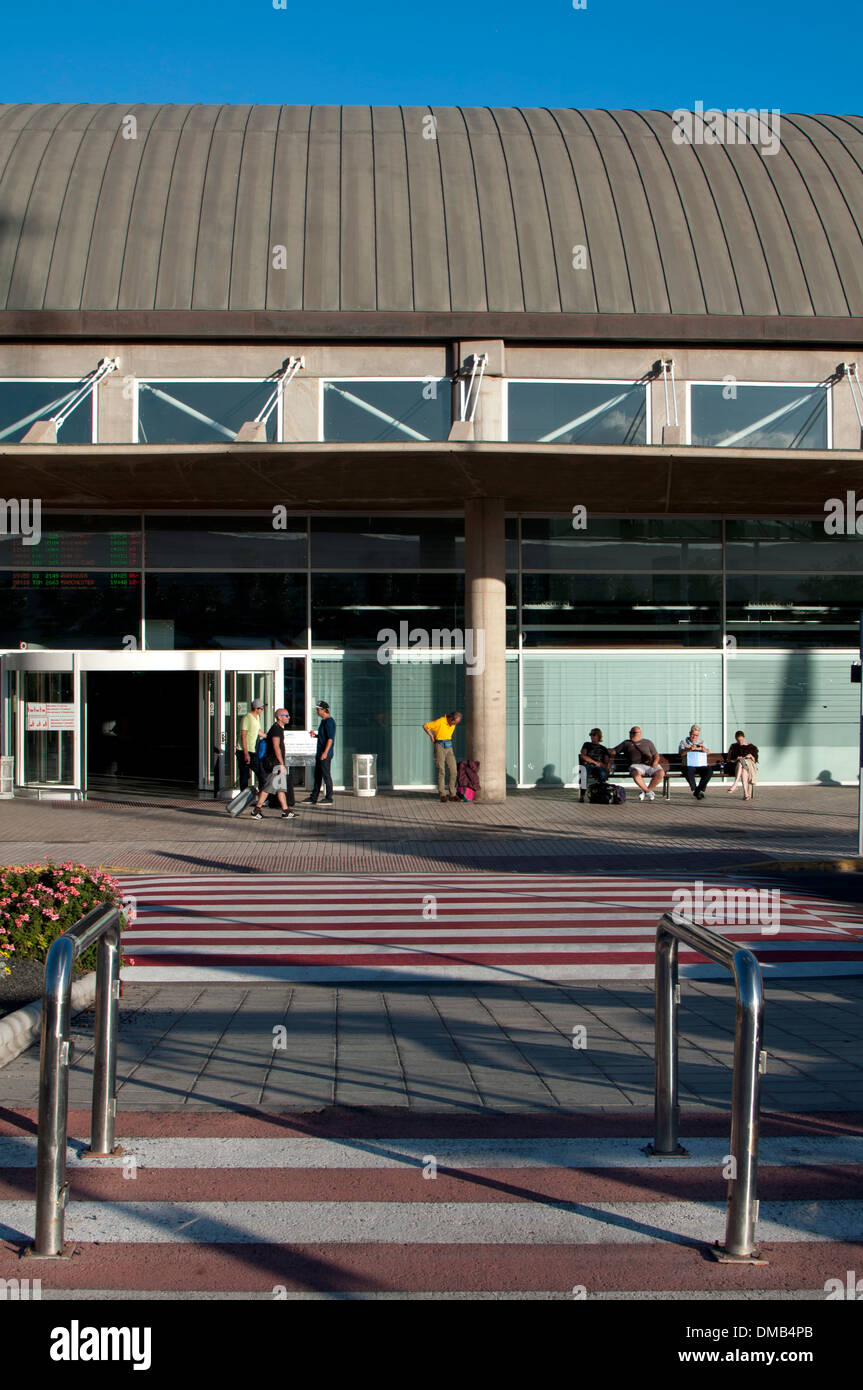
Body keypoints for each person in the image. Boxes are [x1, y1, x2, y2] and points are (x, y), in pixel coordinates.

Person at [250, 708, 295, 820]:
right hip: (274, 763)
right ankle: (256, 810)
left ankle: (285, 811)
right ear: (279, 717)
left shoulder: (279, 729)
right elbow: (276, 747)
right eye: (286, 715)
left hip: (277, 763)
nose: (289, 717)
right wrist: (281, 764)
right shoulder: (276, 730)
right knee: (268, 788)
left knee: (280, 788)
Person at [614, 725, 665, 801]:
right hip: (636, 765)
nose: (631, 734)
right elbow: (615, 750)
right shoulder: (626, 743)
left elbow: (655, 754)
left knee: (661, 773)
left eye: (633, 732)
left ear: (640, 733)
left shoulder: (647, 742)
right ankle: (648, 791)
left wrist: (655, 761)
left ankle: (645, 791)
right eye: (630, 732)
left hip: (649, 764)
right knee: (635, 774)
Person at [422, 710, 462, 802]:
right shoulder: (440, 722)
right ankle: (442, 794)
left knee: (454, 770)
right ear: (451, 719)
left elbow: (450, 729)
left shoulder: (452, 724)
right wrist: (431, 736)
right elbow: (425, 726)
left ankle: (452, 794)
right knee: (441, 770)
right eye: (454, 722)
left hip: (449, 746)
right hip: (439, 745)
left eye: (456, 723)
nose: (454, 725)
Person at [304, 700, 336, 805]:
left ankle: (329, 797)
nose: (317, 711)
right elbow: (324, 737)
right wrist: (316, 736)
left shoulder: (329, 722)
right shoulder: (323, 721)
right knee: (317, 775)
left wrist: (325, 752)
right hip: (320, 752)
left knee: (326, 775)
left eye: (318, 709)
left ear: (324, 710)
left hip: (325, 753)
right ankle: (314, 796)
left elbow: (330, 739)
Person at [678, 723, 716, 800]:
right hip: (688, 765)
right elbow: (681, 753)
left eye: (696, 735)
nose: (694, 737)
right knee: (689, 770)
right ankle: (696, 790)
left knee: (709, 771)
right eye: (693, 735)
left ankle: (697, 790)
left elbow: (708, 752)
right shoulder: (683, 742)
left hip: (700, 765)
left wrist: (703, 749)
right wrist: (690, 749)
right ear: (690, 733)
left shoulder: (701, 742)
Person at [236, 697, 264, 793]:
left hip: (252, 750)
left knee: (260, 772)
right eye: (261, 708)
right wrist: (246, 753)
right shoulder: (247, 718)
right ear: (256, 708)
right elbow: (243, 736)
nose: (262, 710)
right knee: (244, 774)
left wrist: (268, 737)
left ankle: (262, 794)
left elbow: (258, 731)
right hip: (243, 750)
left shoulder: (257, 718)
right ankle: (242, 796)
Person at [578, 728, 610, 803]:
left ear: (598, 736)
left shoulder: (603, 748)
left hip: (598, 767)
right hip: (588, 765)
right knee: (584, 774)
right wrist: (595, 762)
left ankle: (600, 793)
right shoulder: (587, 745)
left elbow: (606, 761)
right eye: (590, 734)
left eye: (593, 734)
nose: (591, 736)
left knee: (602, 774)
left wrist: (605, 765)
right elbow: (583, 756)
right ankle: (582, 795)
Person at [725, 731, 759, 801]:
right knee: (742, 767)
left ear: (744, 738)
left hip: (748, 765)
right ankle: (746, 794)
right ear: (735, 739)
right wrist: (736, 759)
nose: (740, 742)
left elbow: (755, 760)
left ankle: (735, 784)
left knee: (742, 764)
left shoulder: (751, 747)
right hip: (738, 767)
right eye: (738, 740)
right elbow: (728, 760)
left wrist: (751, 756)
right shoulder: (733, 746)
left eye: (741, 740)